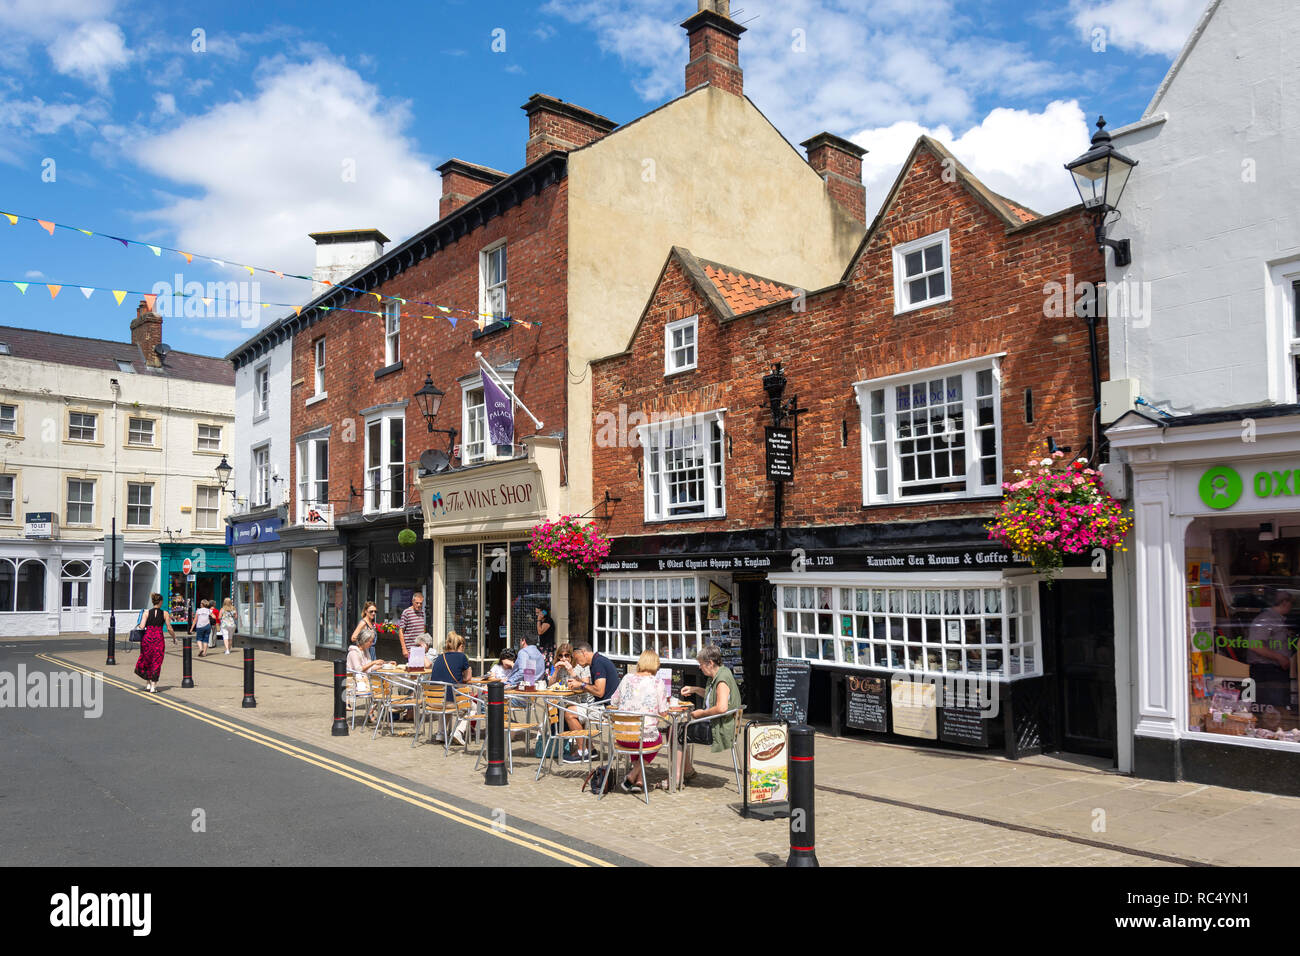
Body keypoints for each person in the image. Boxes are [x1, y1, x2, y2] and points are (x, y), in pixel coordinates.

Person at [673, 644, 741, 789]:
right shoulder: (720, 674)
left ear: (710, 663)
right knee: (679, 729)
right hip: (721, 725)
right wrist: (695, 689)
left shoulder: (721, 680)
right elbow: (714, 697)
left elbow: (721, 707)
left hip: (718, 730)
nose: (699, 667)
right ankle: (687, 771)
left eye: (701, 664)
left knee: (676, 731)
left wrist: (701, 714)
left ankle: (678, 778)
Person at [607, 649, 669, 792]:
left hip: (622, 736)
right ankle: (632, 775)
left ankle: (639, 781)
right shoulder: (657, 683)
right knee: (656, 740)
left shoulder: (627, 678)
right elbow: (663, 711)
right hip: (642, 737)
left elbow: (614, 701)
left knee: (637, 738)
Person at [562, 642, 621, 763]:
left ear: (583, 653)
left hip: (606, 708)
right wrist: (580, 683)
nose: (577, 662)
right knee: (575, 710)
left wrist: (582, 684)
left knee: (569, 713)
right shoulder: (599, 661)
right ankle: (590, 748)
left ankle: (582, 752)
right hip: (606, 705)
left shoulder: (598, 664)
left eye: (577, 658)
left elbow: (599, 691)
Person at [1248, 590, 1295, 728]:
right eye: (1291, 603)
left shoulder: (1276, 619)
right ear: (1284, 602)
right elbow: (1254, 644)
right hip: (1267, 671)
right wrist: (1279, 657)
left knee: (1278, 708)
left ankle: (1276, 733)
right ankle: (1269, 734)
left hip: (1275, 670)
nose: (1291, 607)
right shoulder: (1266, 619)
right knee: (1271, 710)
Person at [430, 632, 474, 744]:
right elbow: (468, 678)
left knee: (446, 699)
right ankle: (458, 731)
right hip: (450, 701)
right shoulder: (462, 657)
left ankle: (440, 733)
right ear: (460, 646)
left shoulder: (439, 657)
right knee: (473, 707)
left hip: (433, 701)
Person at [133, 592, 175, 693]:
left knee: (147, 659)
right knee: (157, 661)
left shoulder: (146, 612)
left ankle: (148, 684)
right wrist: (174, 637)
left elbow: (142, 627)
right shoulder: (165, 613)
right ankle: (153, 686)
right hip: (158, 639)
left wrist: (139, 625)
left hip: (147, 638)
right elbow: (169, 628)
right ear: (160, 602)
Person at [345, 630, 389, 716]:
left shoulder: (365, 651)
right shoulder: (353, 653)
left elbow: (369, 669)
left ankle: (372, 711)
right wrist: (373, 663)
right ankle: (372, 712)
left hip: (364, 680)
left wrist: (384, 664)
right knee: (381, 689)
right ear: (364, 641)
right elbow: (359, 669)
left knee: (385, 687)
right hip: (356, 683)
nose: (372, 643)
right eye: (370, 641)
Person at [398, 592, 426, 662]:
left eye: (421, 603)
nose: (419, 605)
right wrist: (404, 648)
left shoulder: (422, 613)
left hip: (420, 649)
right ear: (412, 601)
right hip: (410, 649)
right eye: (417, 603)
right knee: (411, 670)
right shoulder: (406, 612)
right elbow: (401, 631)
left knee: (419, 670)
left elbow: (422, 629)